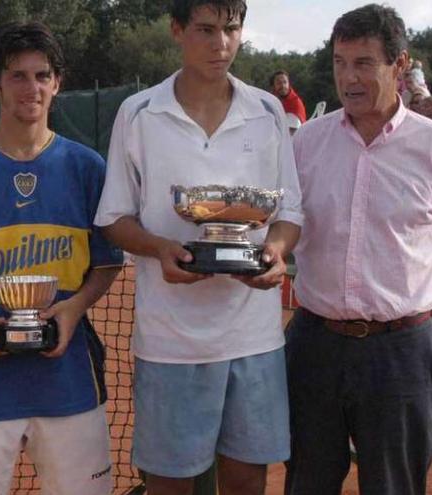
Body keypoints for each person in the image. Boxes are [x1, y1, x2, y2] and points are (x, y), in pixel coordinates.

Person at [94, 1, 303, 493]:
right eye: (206, 30)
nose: (221, 44)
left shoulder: (269, 110)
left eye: (231, 30)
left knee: (247, 481)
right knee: (168, 484)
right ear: (177, 31)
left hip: (254, 339)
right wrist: (162, 247)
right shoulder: (140, 112)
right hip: (171, 341)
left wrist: (273, 249)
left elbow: (289, 212)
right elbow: (113, 219)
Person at [0, 21, 123, 495]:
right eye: (17, 75)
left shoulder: (87, 169)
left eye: (41, 75)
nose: (30, 88)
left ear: (57, 83)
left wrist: (74, 309)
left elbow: (108, 259)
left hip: (69, 377)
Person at [286, 5, 432, 495]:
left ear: (400, 64)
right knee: (306, 481)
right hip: (314, 346)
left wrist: (399, 302)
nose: (349, 77)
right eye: (340, 62)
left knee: (395, 487)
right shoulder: (305, 144)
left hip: (401, 353)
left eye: (364, 63)